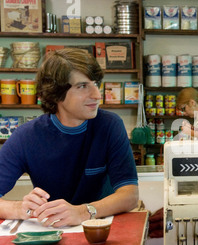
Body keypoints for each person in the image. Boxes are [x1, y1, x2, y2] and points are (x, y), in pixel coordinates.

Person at [0, 48, 139, 227]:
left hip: (102, 232)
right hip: (53, 234)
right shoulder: (26, 137)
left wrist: (83, 211)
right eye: (82, 86)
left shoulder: (110, 125)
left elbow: (130, 195)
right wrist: (19, 208)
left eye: (95, 83)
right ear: (56, 92)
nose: (97, 95)